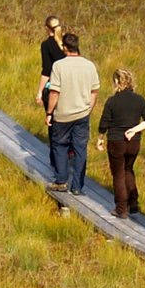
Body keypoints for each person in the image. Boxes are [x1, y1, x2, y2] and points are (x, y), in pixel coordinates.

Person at [44, 32, 100, 195]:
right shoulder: (89, 65)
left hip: (63, 115)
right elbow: (94, 91)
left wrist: (49, 112)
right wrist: (88, 108)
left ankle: (61, 181)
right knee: (80, 148)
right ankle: (77, 186)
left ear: (64, 47)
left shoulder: (59, 66)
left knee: (60, 146)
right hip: (82, 114)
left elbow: (54, 93)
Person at [95, 69, 145, 219]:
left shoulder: (112, 101)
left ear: (117, 82)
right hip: (133, 142)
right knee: (128, 169)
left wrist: (100, 137)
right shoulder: (140, 100)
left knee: (118, 174)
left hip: (116, 141)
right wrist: (134, 130)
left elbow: (104, 122)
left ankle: (121, 208)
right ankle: (133, 203)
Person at [36, 15, 65, 173]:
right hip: (70, 89)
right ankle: (69, 154)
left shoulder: (46, 45)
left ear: (47, 29)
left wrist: (40, 91)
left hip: (54, 88)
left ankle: (56, 162)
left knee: (52, 123)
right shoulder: (67, 42)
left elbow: (46, 70)